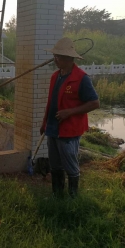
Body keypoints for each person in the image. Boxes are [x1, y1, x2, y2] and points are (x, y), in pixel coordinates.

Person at [40, 37, 100, 198]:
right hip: (53, 127)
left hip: (69, 130)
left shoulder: (81, 78)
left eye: (58, 56)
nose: (55, 59)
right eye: (55, 56)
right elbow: (51, 102)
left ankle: (73, 197)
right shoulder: (55, 76)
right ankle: (57, 195)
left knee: (70, 165)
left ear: (68, 58)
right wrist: (44, 123)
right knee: (55, 165)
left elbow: (94, 103)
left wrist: (70, 112)